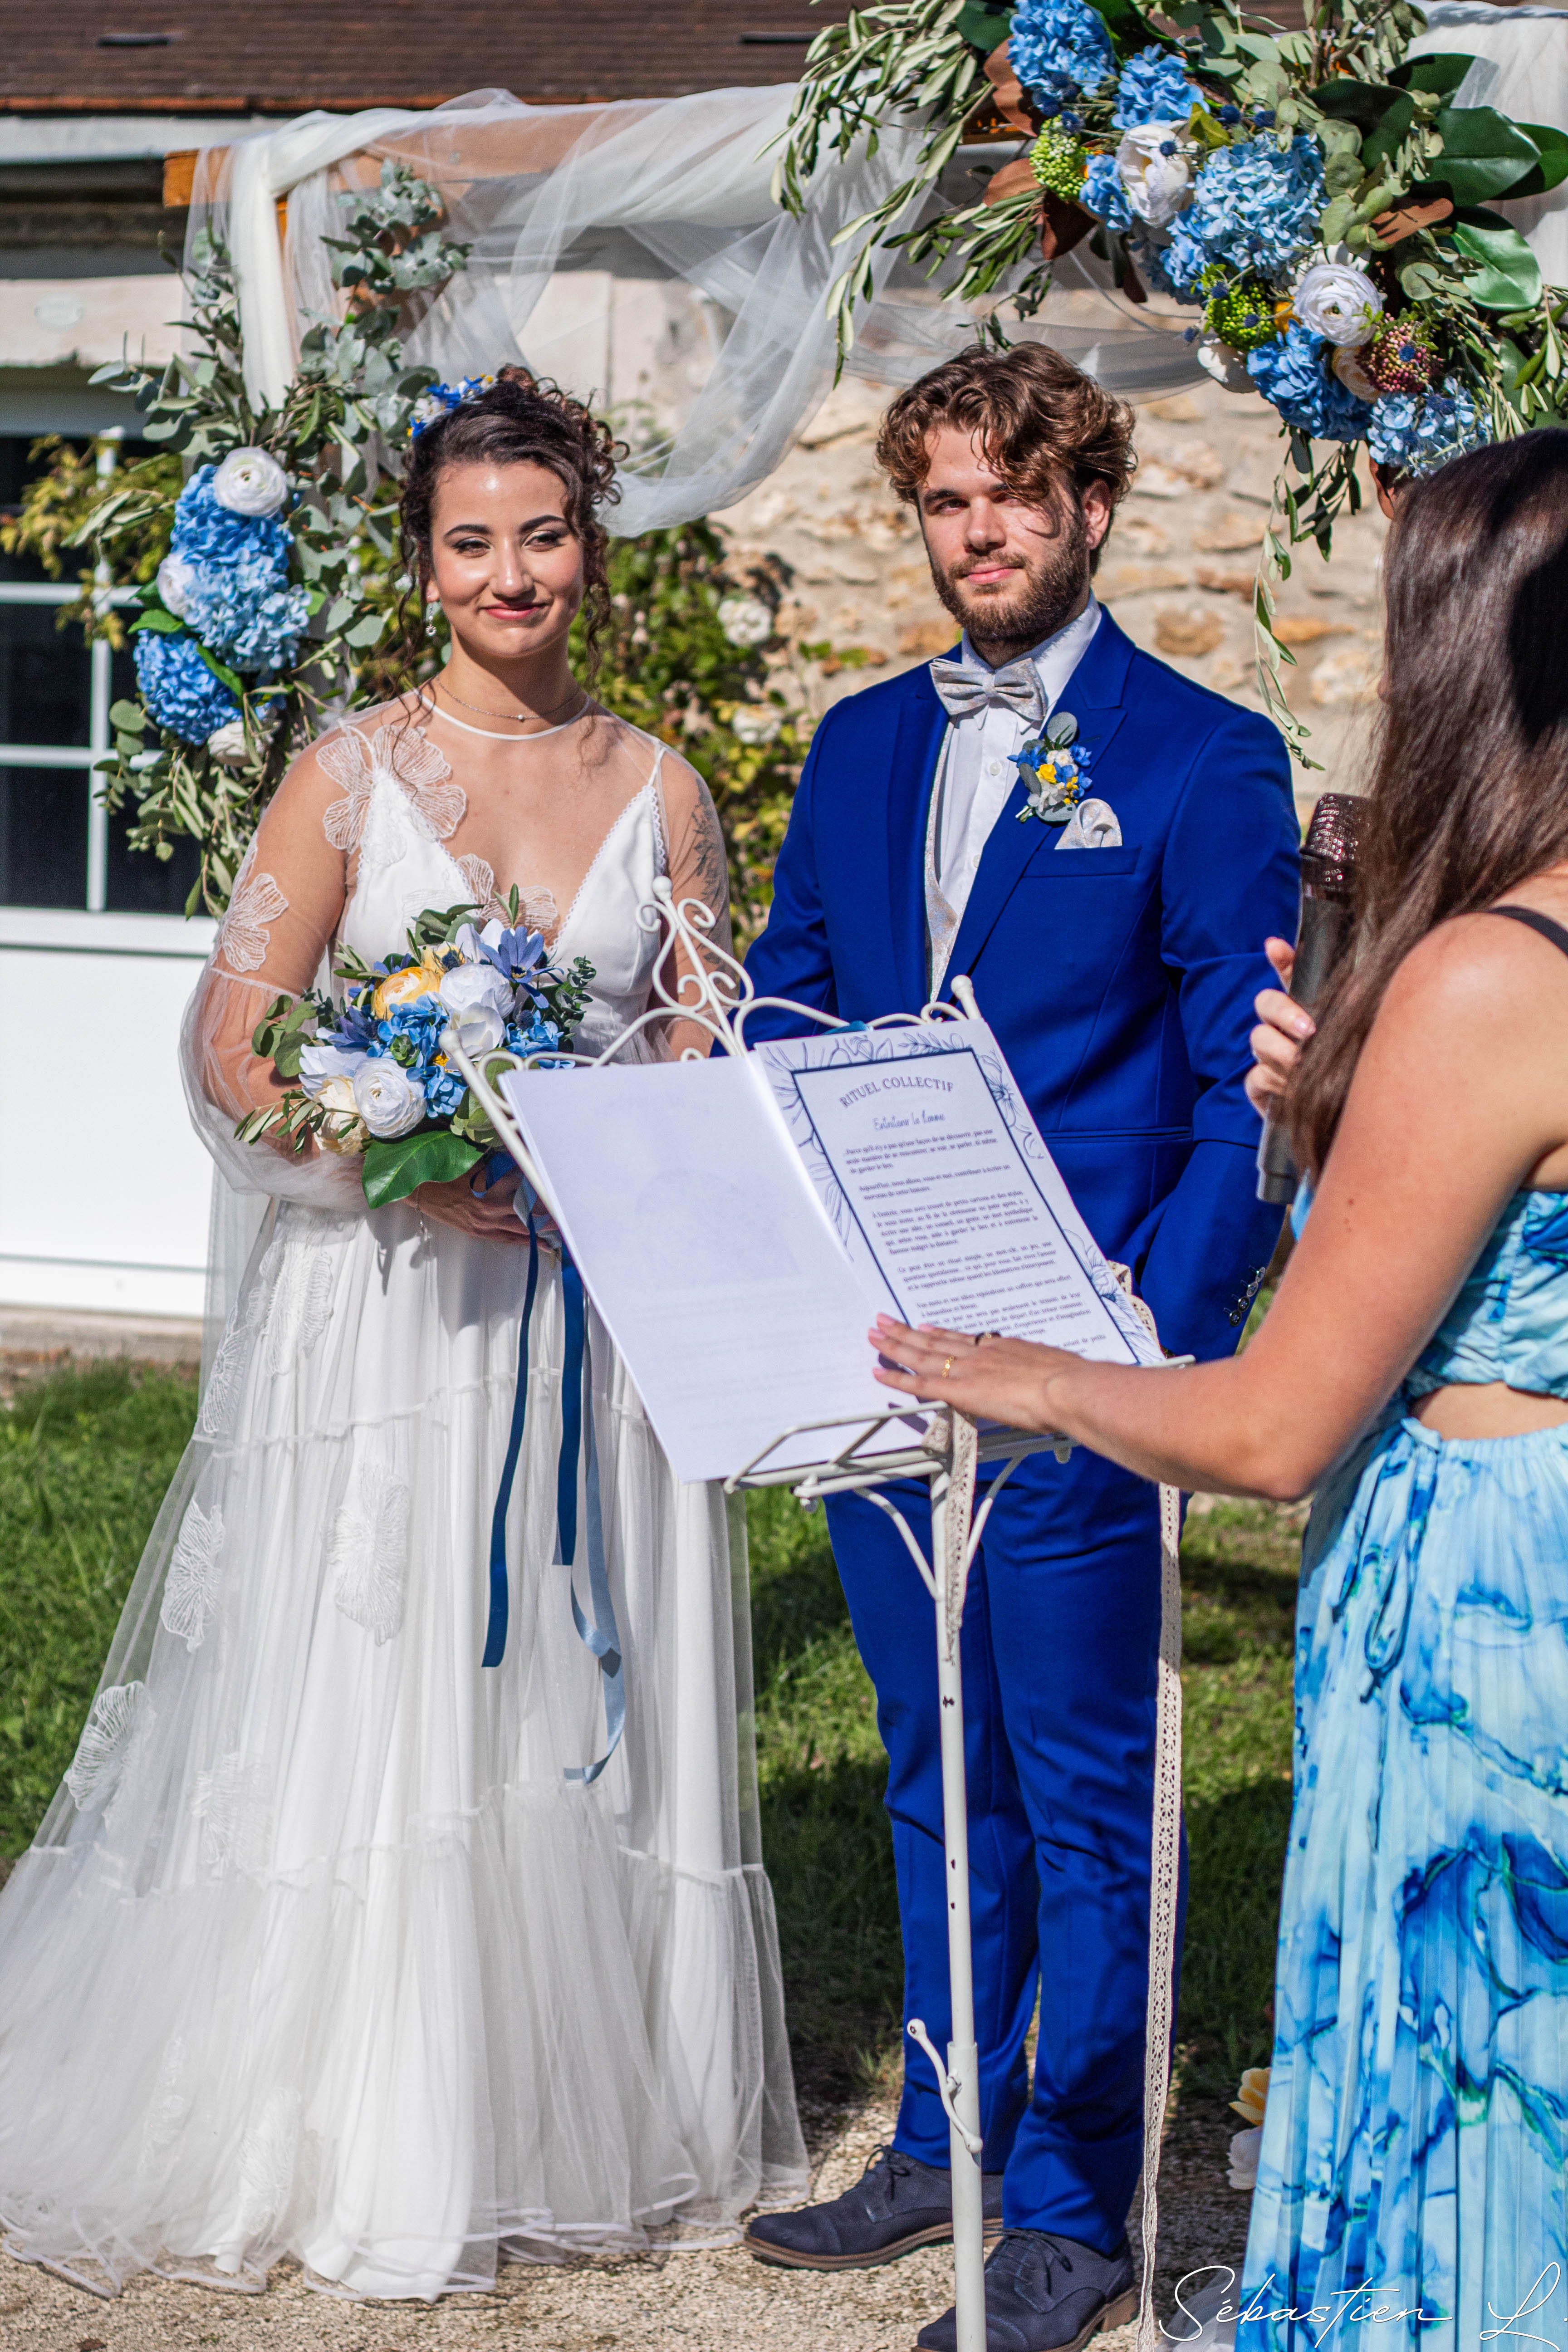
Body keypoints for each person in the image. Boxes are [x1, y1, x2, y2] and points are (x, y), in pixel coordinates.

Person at [0, 370, 805, 2303]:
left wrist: (628, 1172)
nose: (512, 572)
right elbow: (232, 1037)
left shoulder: (668, 787)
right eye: (473, 540)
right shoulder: (351, 772)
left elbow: (699, 1050)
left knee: (561, 1694)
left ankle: (577, 2100)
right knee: (394, 1697)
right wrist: (389, 1155)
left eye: (543, 532)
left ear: (588, 545)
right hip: (394, 1313)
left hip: (580, 1317)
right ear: (424, 562)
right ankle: (368, 2123)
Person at [869, 429, 1568, 2352]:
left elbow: (1270, 1432)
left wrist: (1039, 1371)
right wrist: (1337, 1115)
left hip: (1485, 1635)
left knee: (1476, 2114)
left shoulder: (1487, 981)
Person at [742, 341, 1299, 2352]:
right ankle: (942, 2130)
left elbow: (1247, 1083)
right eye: (945, 502)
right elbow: (795, 1001)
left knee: (1080, 1783)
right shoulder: (863, 742)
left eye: (1012, 496)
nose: (977, 534)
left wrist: (1155, 1334)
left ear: (1088, 507)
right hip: (877, 1348)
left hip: (1084, 1353)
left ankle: (1076, 2198)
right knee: (925, 1751)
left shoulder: (1202, 753)